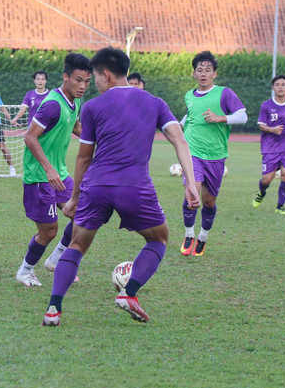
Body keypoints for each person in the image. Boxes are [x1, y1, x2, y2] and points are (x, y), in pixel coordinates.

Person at [42, 47, 200, 326]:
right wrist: (190, 183)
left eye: (95, 79)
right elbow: (180, 141)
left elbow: (83, 157)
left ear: (106, 75)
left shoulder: (92, 107)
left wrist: (74, 197)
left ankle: (53, 309)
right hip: (134, 186)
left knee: (76, 245)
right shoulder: (155, 102)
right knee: (159, 239)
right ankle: (130, 293)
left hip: (96, 186)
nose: (94, 85)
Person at [16, 55, 91, 287]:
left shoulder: (76, 100)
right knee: (49, 231)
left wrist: (96, 139)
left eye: (87, 81)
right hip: (39, 176)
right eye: (78, 80)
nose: (82, 86)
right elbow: (30, 137)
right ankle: (25, 271)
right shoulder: (51, 105)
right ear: (65, 77)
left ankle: (56, 259)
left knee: (82, 215)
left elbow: (75, 126)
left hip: (60, 172)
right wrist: (48, 169)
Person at [178, 51, 247, 257]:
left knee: (209, 201)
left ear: (214, 74)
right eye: (199, 70)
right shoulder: (189, 95)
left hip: (216, 156)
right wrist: (177, 127)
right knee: (192, 193)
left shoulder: (224, 93)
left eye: (207, 70)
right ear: (194, 74)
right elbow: (190, 114)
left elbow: (242, 116)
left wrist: (221, 118)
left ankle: (203, 237)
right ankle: (189, 234)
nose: (203, 74)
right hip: (193, 153)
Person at [252, 75, 285, 215]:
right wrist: (272, 130)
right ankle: (261, 193)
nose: (280, 87)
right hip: (270, 148)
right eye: (277, 84)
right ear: (273, 88)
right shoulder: (266, 106)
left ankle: (280, 207)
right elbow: (261, 126)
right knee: (266, 179)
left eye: (283, 84)